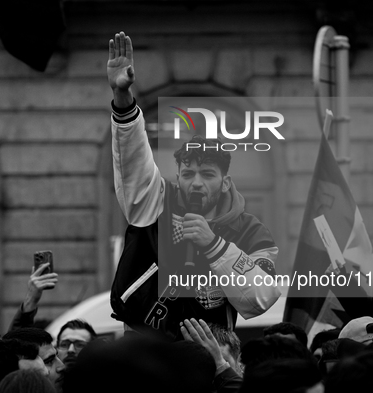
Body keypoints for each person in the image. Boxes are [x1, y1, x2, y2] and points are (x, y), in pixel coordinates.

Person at [107, 31, 280, 340]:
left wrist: (214, 246)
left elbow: (261, 299)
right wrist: (123, 100)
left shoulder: (252, 232)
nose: (196, 183)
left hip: (210, 356)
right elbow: (134, 166)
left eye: (207, 175)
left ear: (225, 182)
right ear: (178, 177)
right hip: (145, 345)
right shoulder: (159, 202)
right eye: (188, 174)